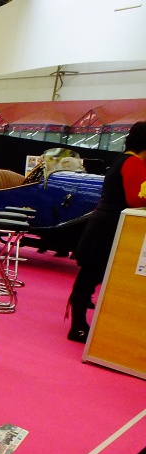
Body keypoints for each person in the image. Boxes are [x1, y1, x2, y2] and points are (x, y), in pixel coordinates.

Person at [67, 121, 146, 343]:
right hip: (108, 227)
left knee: (91, 276)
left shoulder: (124, 159)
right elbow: (134, 199)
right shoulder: (133, 162)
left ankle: (79, 323)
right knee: (90, 276)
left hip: (104, 224)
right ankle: (78, 327)